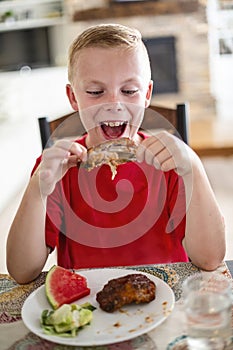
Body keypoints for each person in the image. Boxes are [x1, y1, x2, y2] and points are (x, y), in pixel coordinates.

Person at [6, 23, 225, 284]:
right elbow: (21, 272)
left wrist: (194, 168)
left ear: (147, 94)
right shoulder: (56, 169)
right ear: (73, 98)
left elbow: (210, 259)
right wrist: (36, 190)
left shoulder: (171, 164)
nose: (113, 104)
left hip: (165, 297)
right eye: (96, 92)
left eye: (129, 91)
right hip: (87, 304)